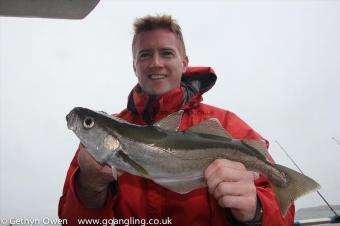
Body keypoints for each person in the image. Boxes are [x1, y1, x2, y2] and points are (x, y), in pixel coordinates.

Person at [58, 15, 294, 226]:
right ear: (134, 66)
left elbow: (285, 214)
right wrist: (88, 188)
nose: (156, 63)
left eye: (167, 53)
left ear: (184, 62)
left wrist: (255, 212)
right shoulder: (93, 150)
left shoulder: (228, 124)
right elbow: (70, 221)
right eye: (145, 54)